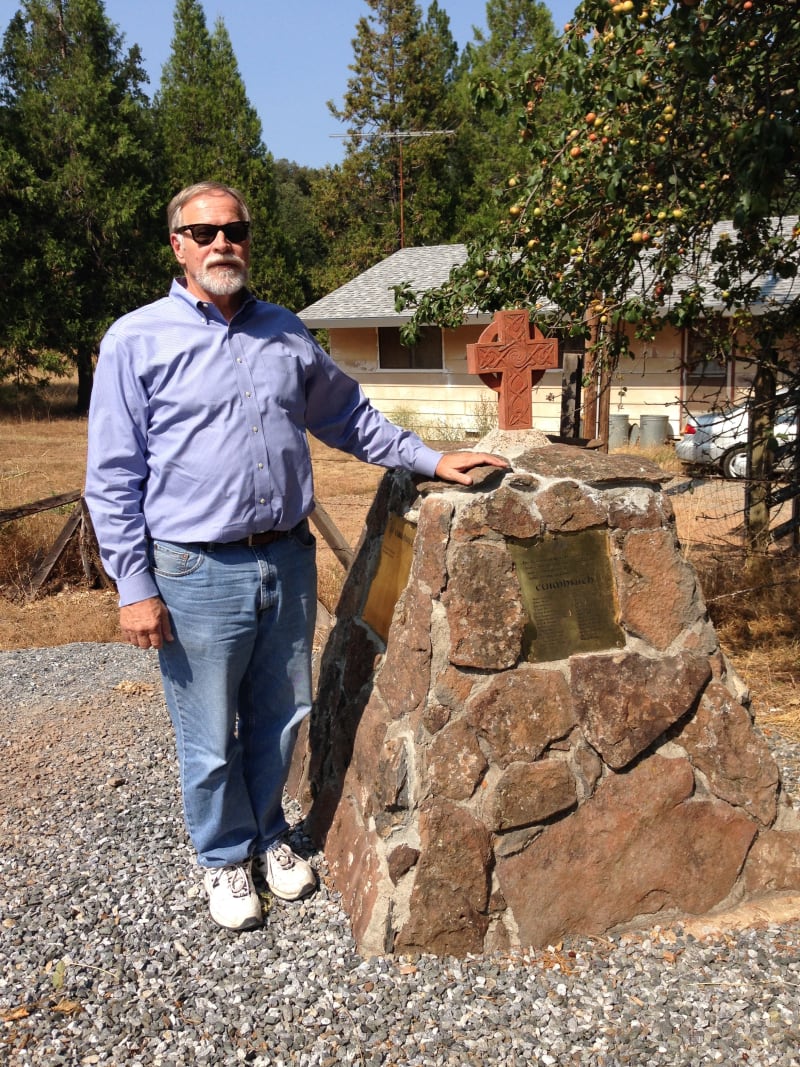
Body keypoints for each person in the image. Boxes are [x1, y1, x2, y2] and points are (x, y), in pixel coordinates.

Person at [85, 180, 508, 933]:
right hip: (193, 569)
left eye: (236, 229)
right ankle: (222, 855)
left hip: (285, 559)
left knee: (284, 715)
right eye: (205, 230)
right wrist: (132, 585)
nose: (224, 243)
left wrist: (430, 458)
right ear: (177, 244)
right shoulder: (135, 340)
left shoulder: (284, 333)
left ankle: (271, 835)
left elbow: (346, 416)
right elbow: (113, 477)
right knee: (209, 730)